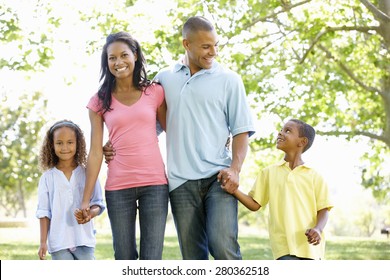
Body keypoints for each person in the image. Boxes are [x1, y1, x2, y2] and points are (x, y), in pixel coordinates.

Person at [104, 16, 255, 260]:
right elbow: (147, 125)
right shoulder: (164, 79)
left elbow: (241, 130)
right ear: (186, 44)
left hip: (218, 177)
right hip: (180, 182)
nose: (213, 52)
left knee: (222, 246)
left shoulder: (230, 80)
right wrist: (114, 146)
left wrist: (235, 169)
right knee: (193, 258)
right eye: (206, 46)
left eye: (216, 45)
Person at [80, 31, 169, 260]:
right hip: (118, 187)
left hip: (155, 184)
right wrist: (85, 199)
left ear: (135, 56)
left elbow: (173, 130)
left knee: (152, 258)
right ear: (106, 62)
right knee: (124, 257)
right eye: (112, 58)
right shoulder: (99, 100)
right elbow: (96, 153)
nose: (118, 62)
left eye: (124, 55)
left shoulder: (155, 91)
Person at [232, 119, 333, 260]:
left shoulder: (314, 176)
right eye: (281, 129)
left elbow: (324, 209)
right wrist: (234, 190)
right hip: (283, 248)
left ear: (302, 142)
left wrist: (318, 229)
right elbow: (254, 204)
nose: (280, 133)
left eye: (288, 130)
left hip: (310, 250)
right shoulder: (268, 172)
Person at [36, 120, 105, 260]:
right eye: (59, 143)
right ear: (52, 145)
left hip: (84, 240)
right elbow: (44, 212)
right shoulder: (47, 178)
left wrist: (90, 214)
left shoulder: (88, 173)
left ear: (77, 143)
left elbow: (98, 203)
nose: (65, 147)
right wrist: (43, 242)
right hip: (58, 243)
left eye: (70, 142)